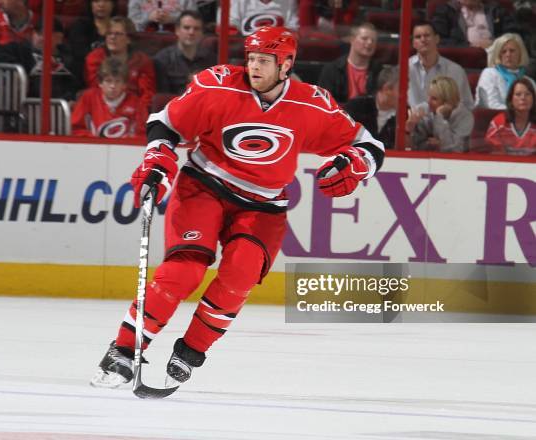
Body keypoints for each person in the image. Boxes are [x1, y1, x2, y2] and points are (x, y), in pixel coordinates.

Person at [90, 26, 385, 388]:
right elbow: (166, 123)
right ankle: (124, 349)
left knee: (240, 274)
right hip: (204, 186)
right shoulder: (217, 84)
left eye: (264, 60)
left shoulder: (311, 103)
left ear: (286, 64)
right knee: (184, 271)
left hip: (264, 205)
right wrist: (158, 159)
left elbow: (368, 144)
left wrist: (356, 164)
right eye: (251, 58)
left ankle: (191, 349)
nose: (254, 67)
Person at [0, 17, 78, 101]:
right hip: (29, 104)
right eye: (37, 33)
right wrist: (19, 68)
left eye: (46, 34)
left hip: (60, 107)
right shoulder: (20, 50)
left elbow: (73, 86)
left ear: (59, 38)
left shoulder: (68, 58)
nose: (40, 38)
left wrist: (70, 99)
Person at [84, 17, 156, 109]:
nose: (112, 37)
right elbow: (95, 89)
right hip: (101, 109)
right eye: (109, 33)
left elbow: (147, 95)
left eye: (118, 34)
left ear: (129, 39)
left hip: (134, 110)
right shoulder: (94, 58)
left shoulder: (142, 61)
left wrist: (138, 112)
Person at [71, 57, 148, 138]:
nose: (113, 86)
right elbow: (76, 128)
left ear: (124, 84)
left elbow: (142, 134)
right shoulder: (88, 98)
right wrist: (93, 141)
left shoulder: (136, 103)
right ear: (100, 83)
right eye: (108, 81)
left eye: (117, 81)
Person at [408, 21, 474, 111]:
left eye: (427, 35)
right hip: (411, 122)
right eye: (418, 37)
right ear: (413, 43)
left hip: (447, 122)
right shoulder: (404, 69)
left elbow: (467, 106)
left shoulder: (455, 70)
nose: (423, 40)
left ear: (437, 39)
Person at [154, 10, 217, 95]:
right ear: (177, 30)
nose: (191, 32)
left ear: (202, 33)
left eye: (196, 29)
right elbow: (161, 97)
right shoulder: (162, 59)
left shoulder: (211, 59)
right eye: (187, 28)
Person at [407, 75, 474, 152]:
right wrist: (429, 144)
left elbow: (456, 149)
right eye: (429, 97)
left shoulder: (465, 117)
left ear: (448, 101)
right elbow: (416, 146)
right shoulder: (426, 111)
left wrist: (439, 117)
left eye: (434, 99)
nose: (428, 102)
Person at [317, 22, 381, 104]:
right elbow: (323, 102)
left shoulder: (379, 71)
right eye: (364, 38)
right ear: (352, 39)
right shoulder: (332, 69)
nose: (369, 43)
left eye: (373, 40)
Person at [475, 33, 536, 109]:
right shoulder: (489, 73)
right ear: (498, 55)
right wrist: (519, 112)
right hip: (492, 118)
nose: (508, 54)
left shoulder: (529, 81)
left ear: (520, 53)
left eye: (512, 51)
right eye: (503, 51)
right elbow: (490, 105)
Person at [343, 65, 399, 149]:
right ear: (387, 89)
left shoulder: (405, 117)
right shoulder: (356, 107)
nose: (406, 95)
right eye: (402, 89)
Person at [66, 0, 118, 89]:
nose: (101, 4)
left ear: (113, 4)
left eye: (106, 1)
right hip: (84, 78)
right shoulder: (79, 26)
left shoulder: (120, 27)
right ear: (90, 4)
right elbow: (80, 55)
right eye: (96, 1)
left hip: (116, 76)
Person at [431, 0, 518, 49]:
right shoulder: (446, 11)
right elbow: (438, 40)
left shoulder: (496, 10)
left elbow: (513, 34)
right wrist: (469, 45)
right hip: (463, 58)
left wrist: (494, 43)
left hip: (496, 55)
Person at [485, 77, 536, 155]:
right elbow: (495, 156)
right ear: (511, 99)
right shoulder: (498, 123)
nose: (523, 98)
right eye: (518, 94)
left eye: (527, 94)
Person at [224, 0, 299, 36]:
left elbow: (293, 31)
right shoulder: (239, 1)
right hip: (245, 49)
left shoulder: (289, 1)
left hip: (277, 49)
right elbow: (232, 27)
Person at [128, 0, 198, 32]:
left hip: (178, 39)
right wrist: (148, 17)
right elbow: (130, 24)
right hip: (144, 40)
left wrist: (172, 19)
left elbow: (195, 19)